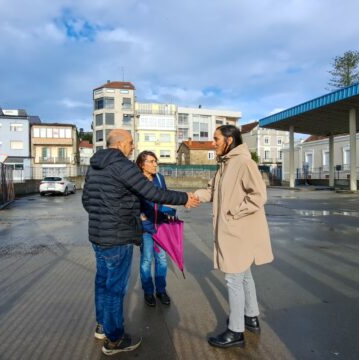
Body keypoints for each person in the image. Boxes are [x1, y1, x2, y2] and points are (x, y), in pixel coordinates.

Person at [82, 129, 199, 356]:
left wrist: (105, 217)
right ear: (119, 144)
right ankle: (114, 340)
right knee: (115, 288)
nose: (132, 147)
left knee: (102, 282)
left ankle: (102, 326)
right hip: (117, 237)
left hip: (98, 235)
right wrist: (185, 198)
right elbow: (151, 192)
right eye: (130, 143)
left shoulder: (94, 166)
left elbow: (87, 201)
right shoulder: (123, 166)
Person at [194, 125, 274, 348]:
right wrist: (191, 197)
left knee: (233, 279)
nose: (213, 142)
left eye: (216, 139)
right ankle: (250, 317)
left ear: (229, 140)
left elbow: (258, 196)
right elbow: (211, 191)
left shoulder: (243, 162)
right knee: (244, 274)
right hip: (235, 231)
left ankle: (236, 331)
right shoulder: (225, 164)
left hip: (238, 232)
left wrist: (233, 213)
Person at [136, 151, 175, 307]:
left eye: (155, 161)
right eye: (151, 162)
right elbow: (133, 203)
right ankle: (148, 292)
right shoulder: (136, 181)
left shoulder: (160, 178)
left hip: (160, 226)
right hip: (145, 229)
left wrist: (169, 211)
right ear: (141, 164)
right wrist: (141, 217)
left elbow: (164, 197)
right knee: (146, 260)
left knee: (162, 260)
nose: (155, 164)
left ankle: (161, 290)